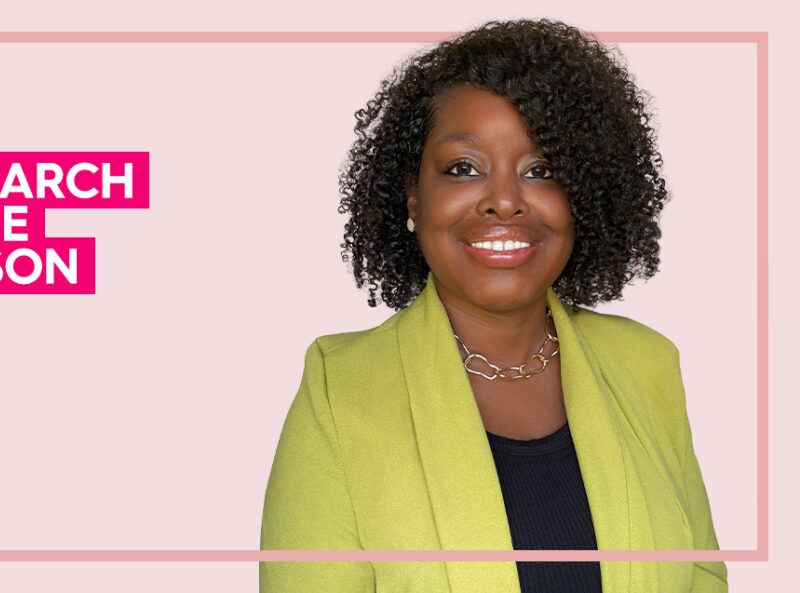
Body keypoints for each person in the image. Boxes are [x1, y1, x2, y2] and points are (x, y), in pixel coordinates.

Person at [259, 17, 728, 593]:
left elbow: (704, 579)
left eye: (541, 171)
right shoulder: (340, 390)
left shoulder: (646, 365)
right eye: (464, 168)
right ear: (414, 196)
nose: (504, 201)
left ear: (583, 197)